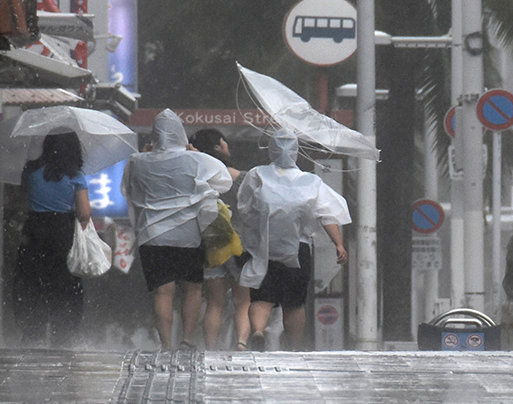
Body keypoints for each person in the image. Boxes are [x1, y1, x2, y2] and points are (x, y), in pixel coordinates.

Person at [123, 110, 232, 349]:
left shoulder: (137, 161)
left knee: (163, 292)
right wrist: (194, 154)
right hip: (188, 236)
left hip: (152, 236)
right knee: (192, 289)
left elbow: (128, 191)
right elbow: (224, 180)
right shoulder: (195, 160)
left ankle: (165, 344)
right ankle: (187, 339)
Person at [236, 129, 350, 351]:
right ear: (297, 152)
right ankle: (294, 347)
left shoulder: (257, 175)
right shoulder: (310, 181)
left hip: (265, 247)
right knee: (294, 303)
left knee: (261, 296)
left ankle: (258, 331)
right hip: (298, 249)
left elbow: (244, 208)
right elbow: (326, 214)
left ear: (271, 150)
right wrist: (338, 243)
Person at [12, 131, 92, 347]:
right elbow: (84, 214)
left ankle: (33, 331)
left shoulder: (30, 170)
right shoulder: (75, 175)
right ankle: (62, 333)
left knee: (32, 280)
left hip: (34, 230)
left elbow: (22, 199)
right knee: (65, 283)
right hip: (63, 232)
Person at [190, 128, 251, 350]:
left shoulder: (196, 177)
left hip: (210, 243)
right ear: (217, 147)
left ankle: (211, 347)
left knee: (215, 302)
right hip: (238, 245)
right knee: (243, 300)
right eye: (223, 142)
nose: (226, 145)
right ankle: (242, 343)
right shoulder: (243, 179)